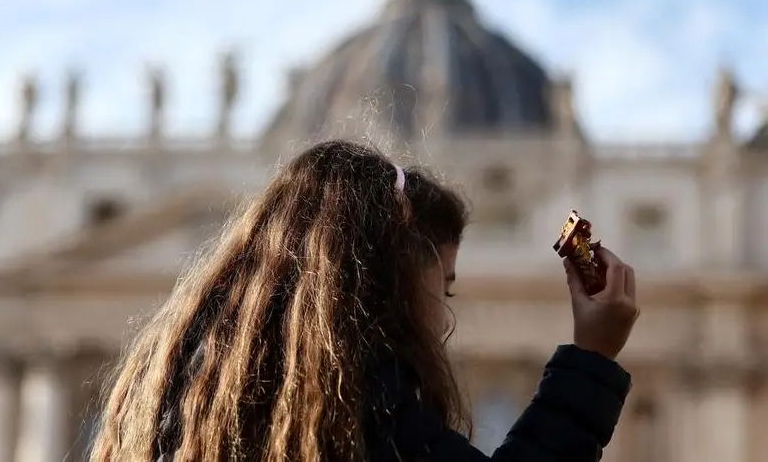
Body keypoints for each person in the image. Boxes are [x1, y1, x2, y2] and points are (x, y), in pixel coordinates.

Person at [89, 140, 639, 462]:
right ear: (395, 269)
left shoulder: (175, 385)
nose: (444, 318)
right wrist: (591, 360)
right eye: (444, 285)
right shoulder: (367, 404)